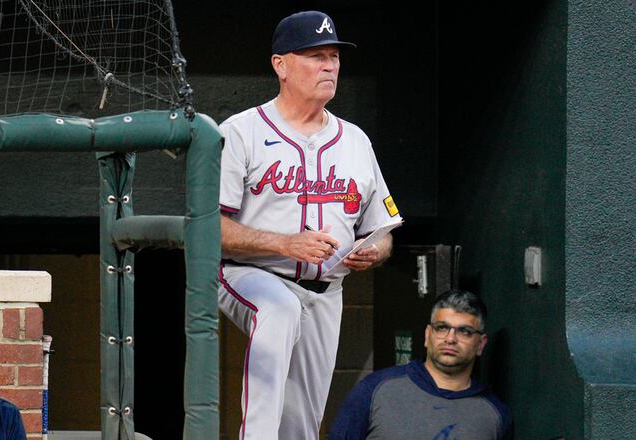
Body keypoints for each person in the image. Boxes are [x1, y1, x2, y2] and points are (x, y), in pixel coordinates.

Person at [218, 10, 402, 439]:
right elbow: (208, 227)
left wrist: (376, 250)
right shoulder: (240, 133)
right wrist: (286, 244)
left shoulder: (355, 141)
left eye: (334, 57)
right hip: (251, 273)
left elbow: (385, 228)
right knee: (278, 311)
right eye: (315, 56)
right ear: (280, 65)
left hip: (326, 292)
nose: (329, 66)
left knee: (303, 422)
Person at [329, 290, 513, 439]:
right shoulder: (375, 390)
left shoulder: (494, 415)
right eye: (442, 327)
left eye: (464, 331)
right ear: (427, 335)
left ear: (480, 344)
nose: (450, 338)